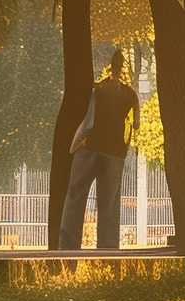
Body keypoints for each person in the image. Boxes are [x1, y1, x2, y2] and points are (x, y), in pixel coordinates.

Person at [59, 55, 137, 251]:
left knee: (75, 197)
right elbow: (135, 125)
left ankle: (68, 249)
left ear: (111, 67)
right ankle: (107, 252)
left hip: (90, 149)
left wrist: (75, 144)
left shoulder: (98, 89)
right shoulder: (131, 95)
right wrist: (123, 148)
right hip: (115, 153)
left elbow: (89, 121)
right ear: (124, 69)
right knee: (109, 205)